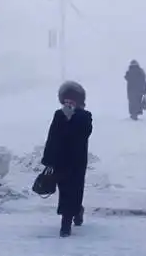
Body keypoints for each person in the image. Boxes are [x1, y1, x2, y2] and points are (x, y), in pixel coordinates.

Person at [41, 80, 93, 237]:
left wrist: (72, 119)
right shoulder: (58, 115)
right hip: (60, 162)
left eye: (72, 101)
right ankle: (70, 217)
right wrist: (48, 160)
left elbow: (84, 133)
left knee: (75, 190)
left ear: (78, 102)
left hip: (77, 162)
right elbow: (52, 137)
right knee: (64, 192)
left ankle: (71, 217)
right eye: (66, 101)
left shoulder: (85, 116)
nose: (68, 104)